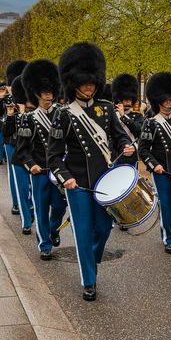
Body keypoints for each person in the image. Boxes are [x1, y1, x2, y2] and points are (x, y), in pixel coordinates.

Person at [48, 43, 134, 301]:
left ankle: (92, 258)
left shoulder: (106, 108)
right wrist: (66, 178)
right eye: (83, 82)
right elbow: (53, 156)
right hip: (77, 184)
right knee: (83, 232)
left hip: (104, 182)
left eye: (91, 82)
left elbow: (119, 136)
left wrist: (126, 146)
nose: (88, 86)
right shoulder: (63, 115)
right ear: (73, 82)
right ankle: (89, 280)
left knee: (103, 229)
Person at [14, 60, 68, 260]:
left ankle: (54, 229)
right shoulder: (29, 118)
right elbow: (22, 149)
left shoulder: (62, 115)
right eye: (44, 93)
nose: (48, 96)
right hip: (40, 171)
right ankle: (45, 244)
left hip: (58, 171)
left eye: (50, 92)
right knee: (41, 208)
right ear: (36, 94)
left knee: (60, 206)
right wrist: (31, 165)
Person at [138, 72, 171, 254]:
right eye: (165, 100)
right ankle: (169, 238)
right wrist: (154, 165)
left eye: (170, 100)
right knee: (166, 204)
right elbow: (143, 149)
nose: (168, 103)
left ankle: (166, 226)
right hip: (160, 171)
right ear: (158, 101)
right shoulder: (151, 123)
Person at [5, 75, 35, 235]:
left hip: (35, 156)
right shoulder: (15, 115)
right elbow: (6, 133)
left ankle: (32, 208)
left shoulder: (39, 114)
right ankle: (26, 222)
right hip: (18, 156)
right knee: (22, 190)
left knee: (36, 191)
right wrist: (12, 116)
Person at [2, 60, 28, 216]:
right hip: (12, 140)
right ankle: (16, 202)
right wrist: (3, 98)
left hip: (29, 140)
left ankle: (28, 202)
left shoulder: (29, 98)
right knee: (15, 174)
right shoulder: (7, 99)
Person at [112, 73, 144, 140]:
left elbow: (139, 130)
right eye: (125, 99)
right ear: (119, 98)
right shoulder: (112, 115)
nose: (128, 101)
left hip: (132, 145)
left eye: (130, 99)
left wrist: (124, 116)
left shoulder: (138, 116)